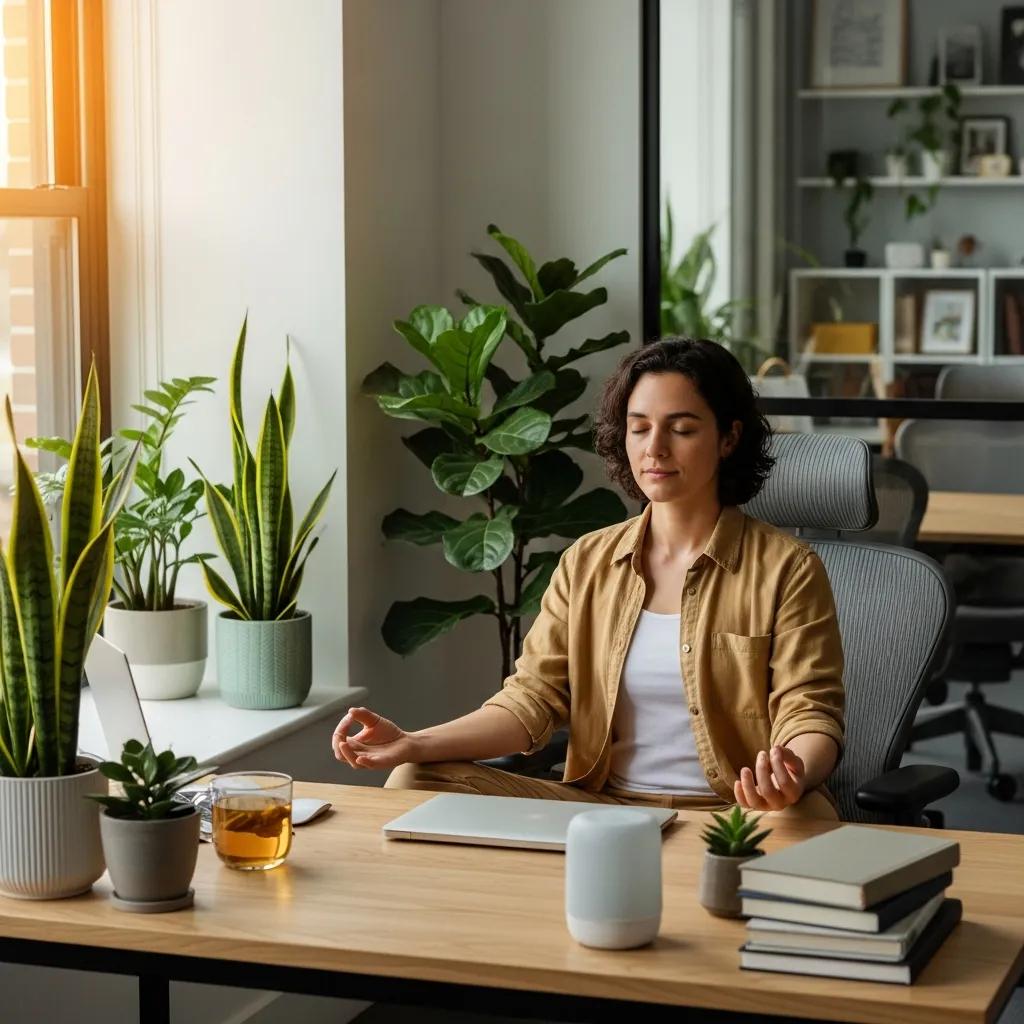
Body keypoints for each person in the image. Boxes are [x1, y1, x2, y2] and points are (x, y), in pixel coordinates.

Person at [332, 338, 844, 820]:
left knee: (807, 815)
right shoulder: (587, 562)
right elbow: (531, 701)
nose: (655, 449)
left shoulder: (787, 568)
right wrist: (415, 741)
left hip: (736, 815)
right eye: (639, 427)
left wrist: (791, 775)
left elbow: (810, 713)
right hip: (604, 813)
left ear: (729, 437)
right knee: (415, 778)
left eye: (682, 429)